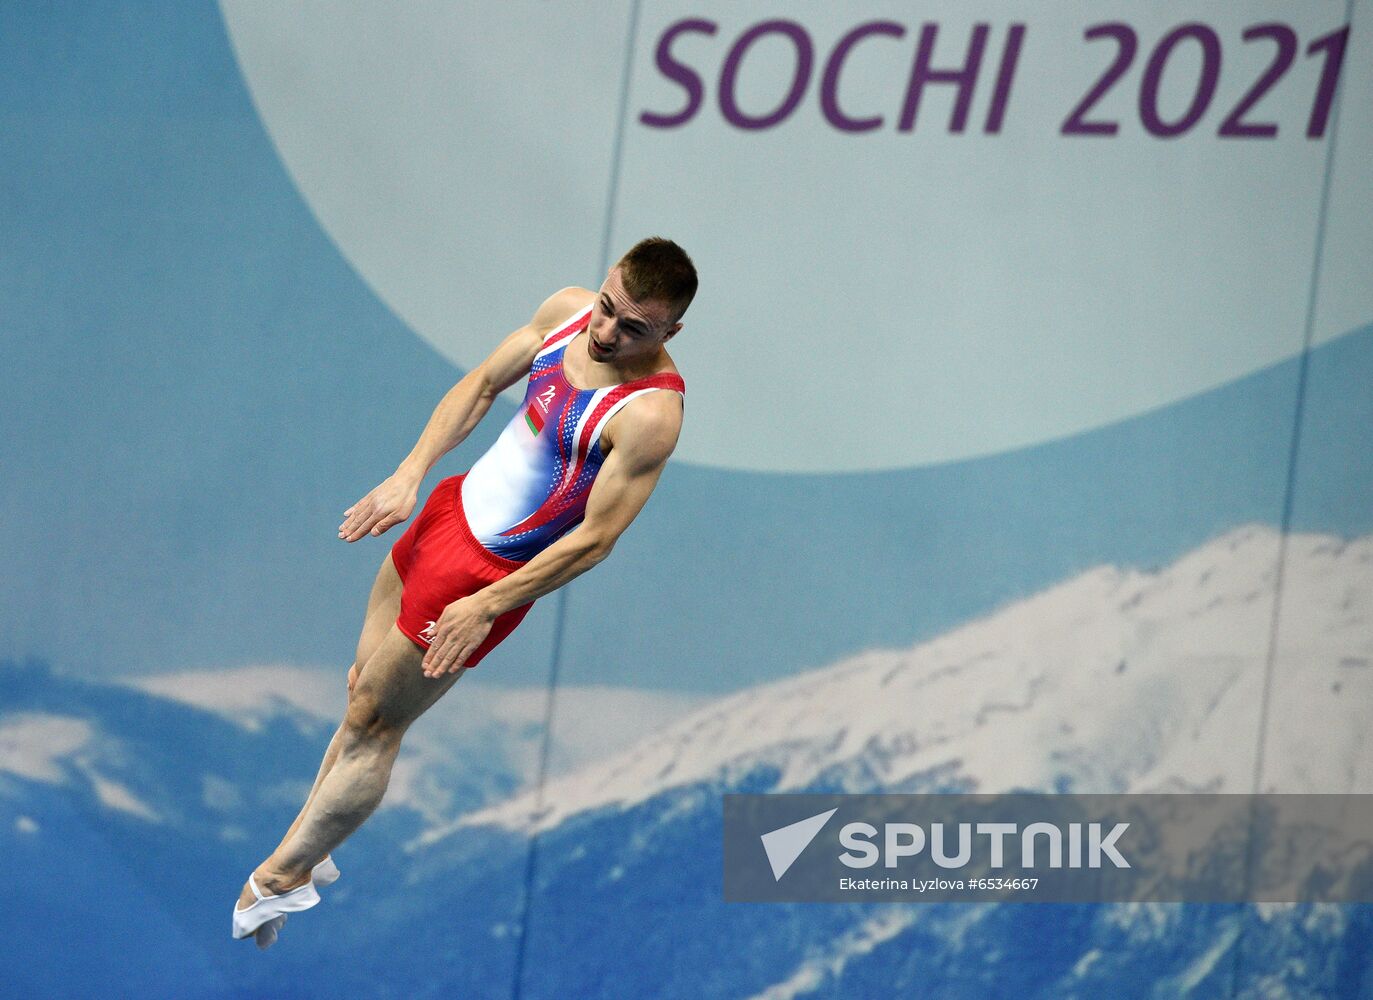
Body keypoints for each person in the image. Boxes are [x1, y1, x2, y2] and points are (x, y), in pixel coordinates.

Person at [232, 237, 696, 946]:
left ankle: (278, 877)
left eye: (633, 329)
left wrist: (487, 603)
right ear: (600, 288)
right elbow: (480, 385)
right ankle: (308, 850)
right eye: (607, 309)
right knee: (362, 694)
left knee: (375, 725)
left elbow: (595, 540)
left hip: (484, 573)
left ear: (670, 333)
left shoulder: (649, 415)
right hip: (448, 509)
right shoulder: (566, 312)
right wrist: (409, 473)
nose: (606, 333)